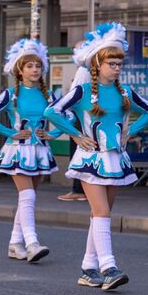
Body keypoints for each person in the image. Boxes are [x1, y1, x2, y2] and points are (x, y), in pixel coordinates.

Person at [45, 22, 148, 291]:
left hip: (115, 158)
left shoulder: (125, 92)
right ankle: (109, 267)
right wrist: (75, 135)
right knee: (102, 212)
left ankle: (88, 268)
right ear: (98, 64)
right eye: (112, 63)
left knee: (101, 215)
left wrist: (131, 130)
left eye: (119, 63)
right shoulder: (83, 91)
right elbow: (52, 112)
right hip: (90, 158)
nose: (117, 68)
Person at [0, 39, 60, 262]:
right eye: (29, 66)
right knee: (28, 196)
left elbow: (68, 117)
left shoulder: (49, 95)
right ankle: (32, 244)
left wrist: (52, 134)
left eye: (38, 66)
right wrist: (10, 132)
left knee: (27, 199)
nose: (35, 70)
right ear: (20, 70)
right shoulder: (11, 95)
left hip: (40, 151)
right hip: (18, 151)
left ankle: (15, 244)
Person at [57, 45, 90, 202]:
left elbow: (75, 94)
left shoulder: (83, 70)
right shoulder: (89, 70)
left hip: (79, 116)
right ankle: (84, 189)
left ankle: (79, 189)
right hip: (88, 116)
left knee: (78, 151)